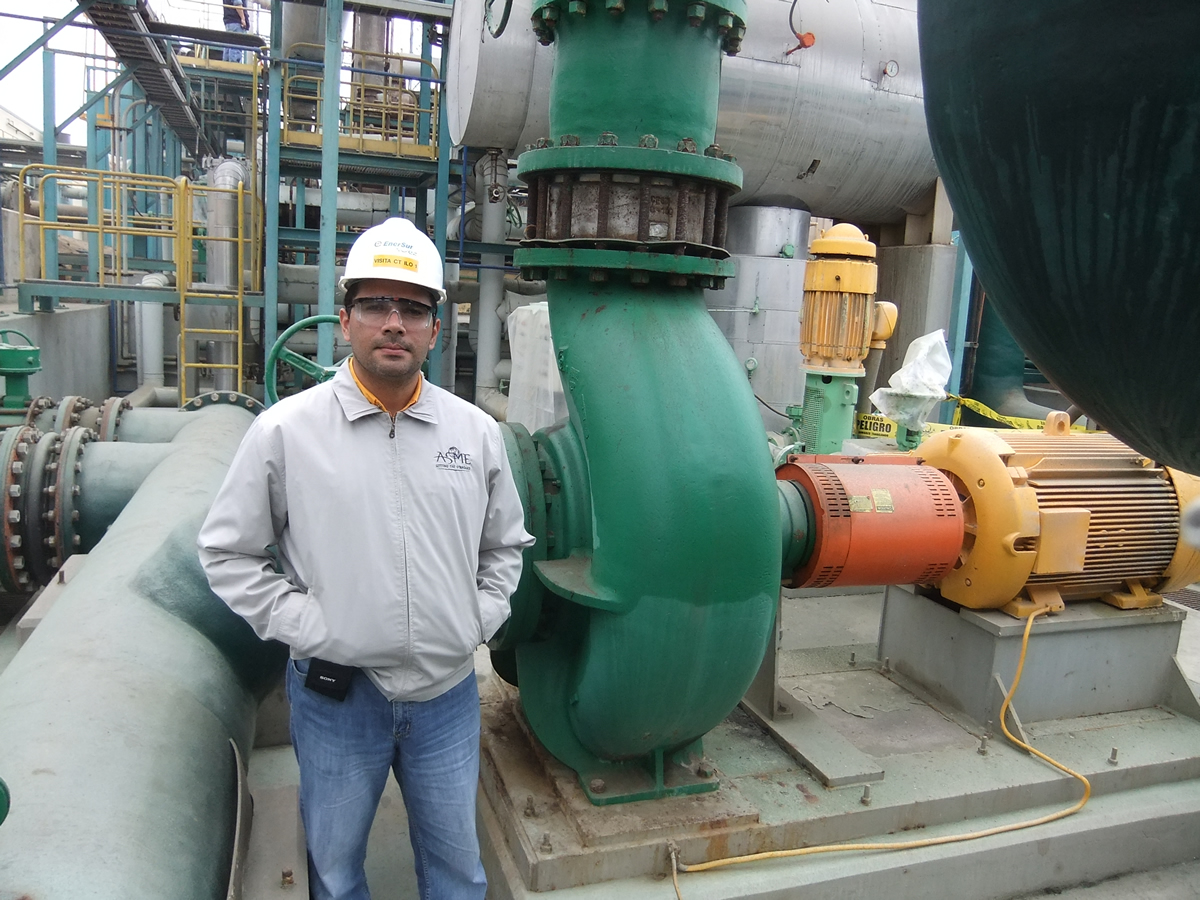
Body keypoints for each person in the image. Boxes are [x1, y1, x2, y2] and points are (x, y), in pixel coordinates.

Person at [198, 216, 533, 900]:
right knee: (336, 870)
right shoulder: (287, 433)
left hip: (446, 697)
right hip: (338, 700)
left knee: (458, 872)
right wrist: (314, 628)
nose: (394, 323)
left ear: (436, 330)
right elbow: (226, 553)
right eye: (376, 304)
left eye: (413, 308)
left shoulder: (474, 434)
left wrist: (475, 618)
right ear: (345, 318)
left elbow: (505, 545)